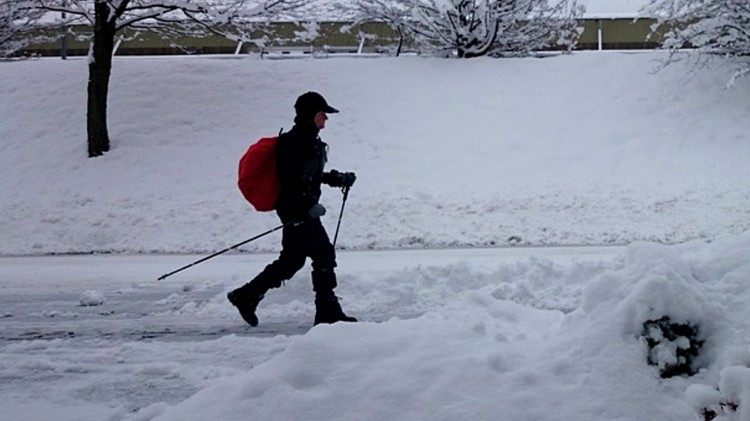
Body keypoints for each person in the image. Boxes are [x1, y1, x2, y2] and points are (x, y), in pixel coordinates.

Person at [227, 91, 357, 327]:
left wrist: (336, 178)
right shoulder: (296, 142)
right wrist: (309, 205)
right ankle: (327, 312)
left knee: (292, 260)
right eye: (323, 115)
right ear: (312, 115)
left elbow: (308, 176)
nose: (326, 120)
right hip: (296, 209)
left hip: (298, 208)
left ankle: (246, 295)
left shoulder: (308, 139)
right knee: (324, 254)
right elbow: (291, 180)